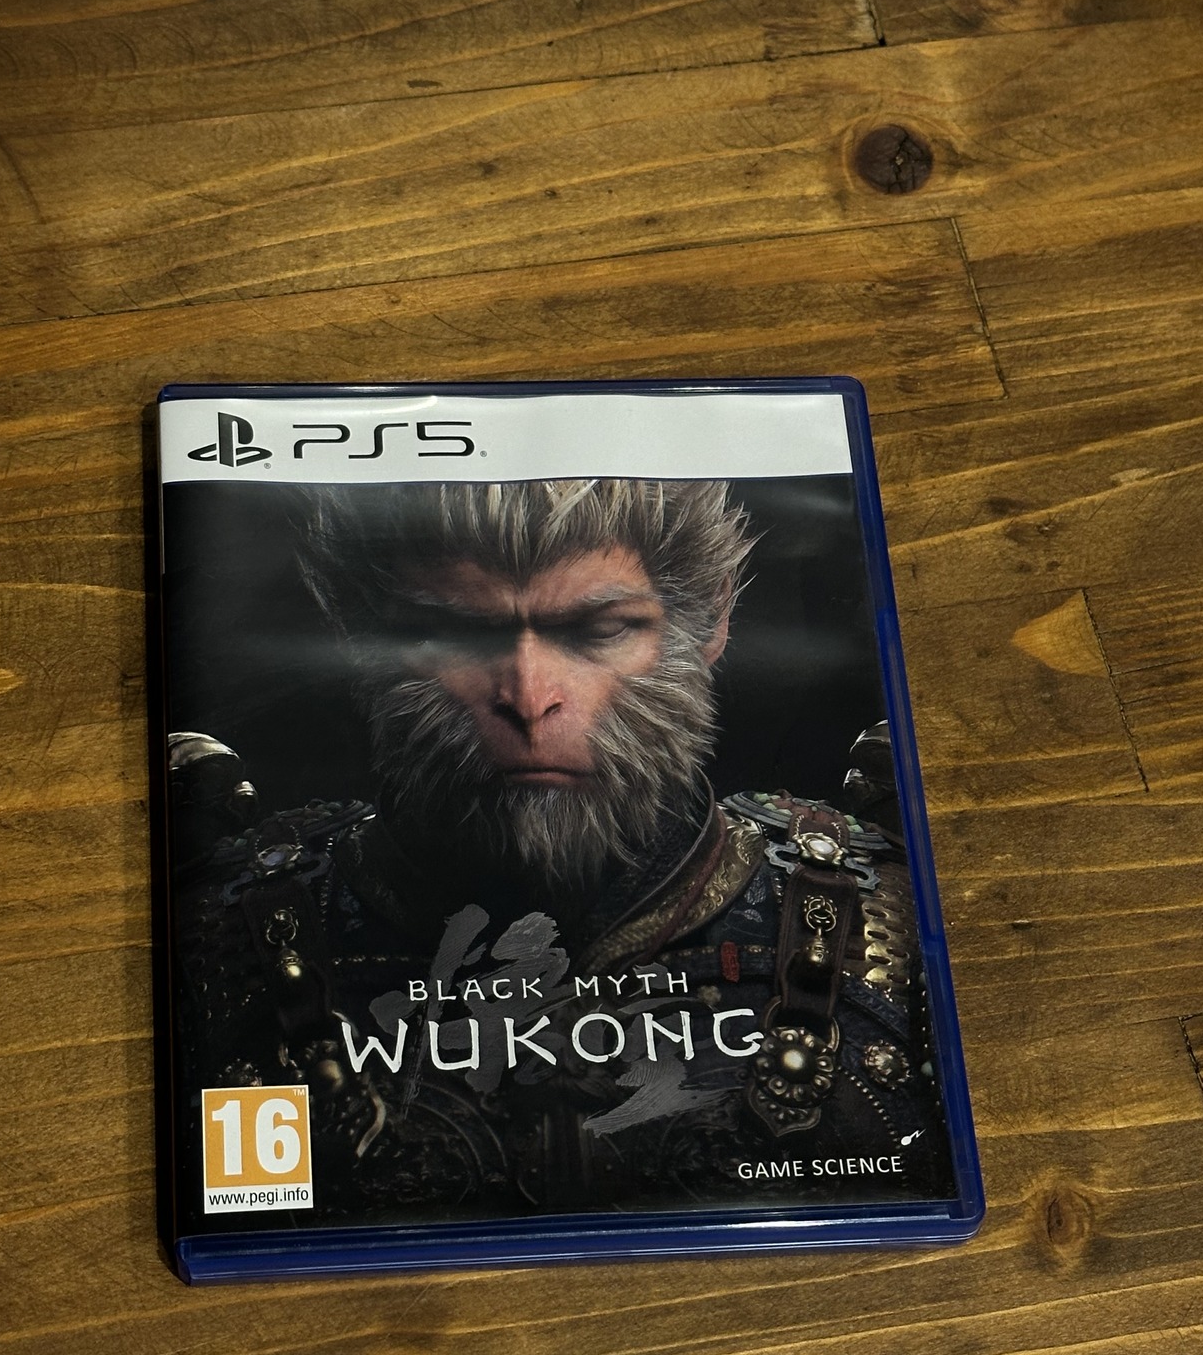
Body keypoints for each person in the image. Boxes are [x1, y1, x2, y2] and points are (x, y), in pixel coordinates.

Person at [171, 479, 952, 1215]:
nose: (529, 696)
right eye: (456, 631)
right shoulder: (230, 929)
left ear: (709, 621)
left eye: (600, 630)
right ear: (354, 634)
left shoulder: (875, 908)